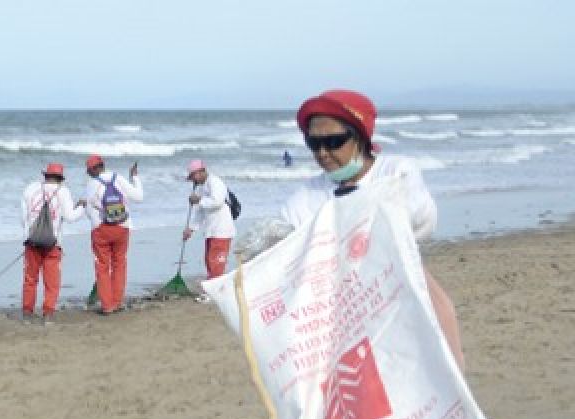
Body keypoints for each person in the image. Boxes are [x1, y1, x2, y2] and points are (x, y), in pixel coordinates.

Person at [275, 89, 465, 370]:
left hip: (402, 289)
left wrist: (357, 211)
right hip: (341, 308)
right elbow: (287, 242)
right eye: (313, 144)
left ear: (360, 138)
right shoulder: (307, 196)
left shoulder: (395, 172)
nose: (323, 153)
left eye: (334, 141)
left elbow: (421, 218)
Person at [21, 162, 85, 322]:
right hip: (53, 244)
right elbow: (70, 217)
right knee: (52, 281)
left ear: (45, 176)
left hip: (32, 241)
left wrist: (29, 236)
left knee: (30, 279)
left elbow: (24, 219)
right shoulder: (63, 191)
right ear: (60, 179)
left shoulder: (30, 189)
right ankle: (48, 314)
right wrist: (82, 208)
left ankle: (27, 313)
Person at [82, 154, 143, 314]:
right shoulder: (118, 178)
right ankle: (117, 302)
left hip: (101, 230)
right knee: (119, 264)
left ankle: (107, 305)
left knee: (102, 267)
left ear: (90, 170)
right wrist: (135, 178)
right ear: (103, 165)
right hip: (122, 227)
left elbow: (89, 212)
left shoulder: (91, 184)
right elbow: (139, 197)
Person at [181, 159, 236, 278]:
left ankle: (216, 289)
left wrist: (198, 200)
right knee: (209, 260)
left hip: (222, 230)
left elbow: (217, 202)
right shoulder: (202, 187)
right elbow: (200, 211)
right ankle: (213, 287)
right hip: (211, 230)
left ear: (200, 172)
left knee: (216, 262)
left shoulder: (215, 182)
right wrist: (190, 229)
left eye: (193, 176)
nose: (193, 180)